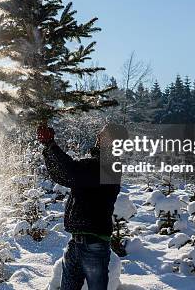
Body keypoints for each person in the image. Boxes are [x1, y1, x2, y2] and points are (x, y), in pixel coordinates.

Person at [37, 122, 128, 290]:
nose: (98, 136)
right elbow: (62, 176)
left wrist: (51, 145)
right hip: (77, 243)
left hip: (94, 245)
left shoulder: (107, 166)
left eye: (103, 134)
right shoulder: (97, 165)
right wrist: (48, 148)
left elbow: (72, 171)